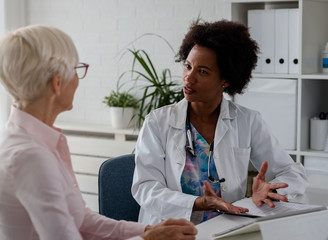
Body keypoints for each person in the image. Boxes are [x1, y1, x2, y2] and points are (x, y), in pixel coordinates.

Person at [0, 25, 197, 240]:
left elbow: (81, 221)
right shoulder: (31, 156)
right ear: (57, 83)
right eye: (76, 69)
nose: (78, 79)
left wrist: (147, 231)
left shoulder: (28, 137)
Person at [131, 20, 308, 225]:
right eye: (188, 66)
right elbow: (144, 187)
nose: (189, 78)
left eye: (203, 71)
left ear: (226, 80)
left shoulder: (247, 121)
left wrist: (270, 189)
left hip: (227, 228)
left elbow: (294, 173)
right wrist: (197, 203)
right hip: (172, 229)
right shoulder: (158, 122)